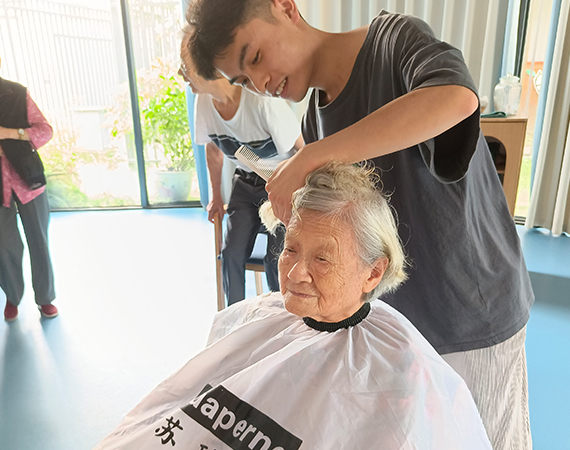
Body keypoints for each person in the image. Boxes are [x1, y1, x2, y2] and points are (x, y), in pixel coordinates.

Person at [185, 2, 534, 449]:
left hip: (470, 314)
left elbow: (454, 97)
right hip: (401, 331)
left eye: (254, 58)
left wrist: (313, 156)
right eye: (243, 80)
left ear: (285, 7)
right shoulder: (317, 118)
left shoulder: (393, 42)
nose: (261, 84)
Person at [94, 163, 492, 450]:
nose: (297, 272)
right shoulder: (254, 316)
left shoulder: (403, 369)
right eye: (290, 249)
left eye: (323, 259)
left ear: (373, 274)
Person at [179, 27, 303, 306]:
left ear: (206, 66)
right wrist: (216, 196)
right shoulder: (203, 105)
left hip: (283, 185)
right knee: (230, 254)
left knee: (277, 260)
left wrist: (301, 197)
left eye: (184, 67)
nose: (180, 76)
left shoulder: (261, 101)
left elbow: (302, 150)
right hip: (246, 186)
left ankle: (278, 321)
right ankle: (233, 322)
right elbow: (213, 149)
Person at [0, 35, 56, 321]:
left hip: (28, 180)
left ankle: (45, 298)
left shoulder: (17, 93)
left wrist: (7, 135)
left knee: (39, 242)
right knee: (0, 246)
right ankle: (12, 296)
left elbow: (44, 131)